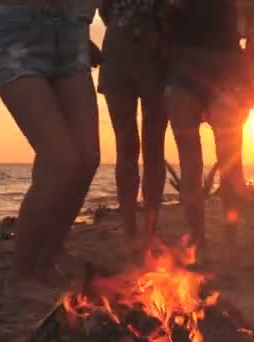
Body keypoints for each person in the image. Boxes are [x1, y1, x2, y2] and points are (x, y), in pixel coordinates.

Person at [0, 0, 100, 297]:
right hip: (22, 38)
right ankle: (22, 276)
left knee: (88, 158)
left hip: (73, 39)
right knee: (60, 161)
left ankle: (49, 257)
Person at [158, 0, 254, 259]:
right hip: (182, 62)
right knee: (191, 162)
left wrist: (249, 65)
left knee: (230, 160)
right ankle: (199, 241)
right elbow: (158, 15)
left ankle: (230, 240)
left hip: (226, 63)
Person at [97, 0, 168, 247]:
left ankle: (149, 230)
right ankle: (130, 232)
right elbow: (103, 8)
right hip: (118, 52)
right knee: (126, 143)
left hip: (157, 53)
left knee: (153, 145)